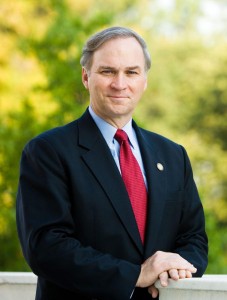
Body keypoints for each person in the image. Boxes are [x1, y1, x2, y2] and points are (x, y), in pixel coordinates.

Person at [16, 26, 208, 300]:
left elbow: (194, 240)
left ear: (145, 80)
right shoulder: (47, 152)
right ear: (86, 76)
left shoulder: (173, 155)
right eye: (108, 71)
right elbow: (46, 247)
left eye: (131, 72)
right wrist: (136, 275)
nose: (120, 84)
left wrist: (170, 270)